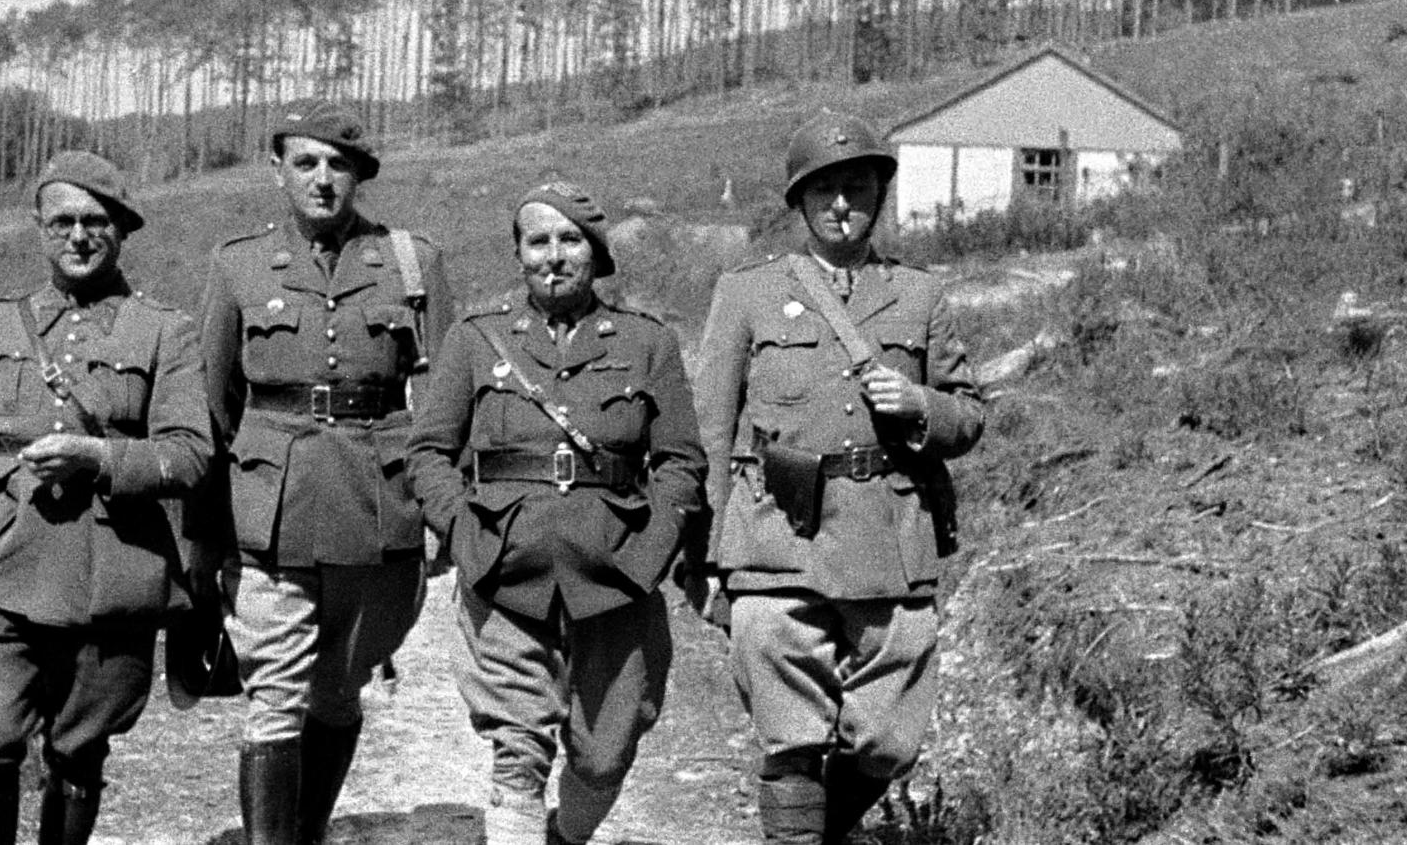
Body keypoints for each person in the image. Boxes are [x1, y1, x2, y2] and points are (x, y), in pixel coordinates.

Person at [691, 112, 985, 845]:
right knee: (789, 733)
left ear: (879, 196)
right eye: (824, 192)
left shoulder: (919, 295)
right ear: (800, 203)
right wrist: (708, 556)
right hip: (775, 538)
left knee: (889, 740)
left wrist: (922, 404)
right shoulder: (747, 292)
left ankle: (819, 830)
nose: (842, 205)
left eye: (857, 188)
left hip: (889, 539)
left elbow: (971, 413)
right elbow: (711, 430)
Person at [0, 151, 211, 845]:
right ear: (40, 229)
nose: (78, 237)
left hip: (110, 584)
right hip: (4, 576)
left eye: (95, 221)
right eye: (62, 222)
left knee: (80, 750)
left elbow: (192, 454)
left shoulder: (165, 330)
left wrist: (101, 458)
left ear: (122, 229)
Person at [405, 182, 707, 845]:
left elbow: (682, 461)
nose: (553, 255)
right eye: (537, 240)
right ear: (519, 252)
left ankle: (565, 836)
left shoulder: (647, 342)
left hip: (615, 574)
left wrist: (653, 550)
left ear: (596, 253)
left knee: (604, 755)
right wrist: (462, 530)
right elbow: (428, 451)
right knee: (518, 748)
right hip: (504, 568)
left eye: (569, 239)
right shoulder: (476, 339)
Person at [191, 103, 452, 845]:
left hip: (379, 505)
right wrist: (202, 540)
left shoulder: (411, 262)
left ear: (360, 175)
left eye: (339, 164)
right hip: (270, 510)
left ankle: (306, 832)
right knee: (275, 692)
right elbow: (212, 407)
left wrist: (442, 515)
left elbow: (441, 405)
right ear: (278, 170)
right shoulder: (237, 264)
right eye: (305, 162)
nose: (322, 179)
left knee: (339, 690)